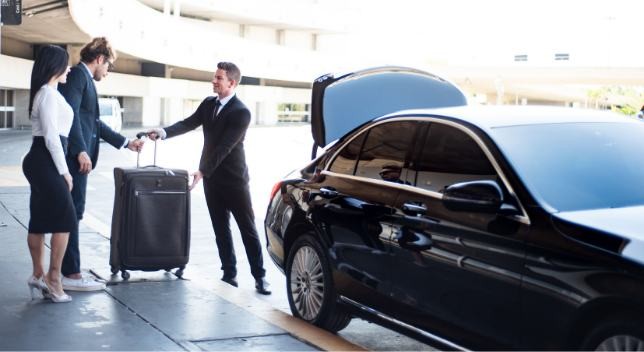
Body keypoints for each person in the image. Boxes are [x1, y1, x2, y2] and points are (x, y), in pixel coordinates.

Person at [147, 62, 271, 295]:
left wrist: (202, 171)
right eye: (214, 77)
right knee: (220, 229)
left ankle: (260, 276)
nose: (214, 81)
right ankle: (229, 273)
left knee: (247, 228)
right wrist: (163, 133)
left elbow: (224, 147)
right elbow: (188, 123)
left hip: (234, 181)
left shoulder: (241, 112)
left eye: (219, 78)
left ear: (231, 83)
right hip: (212, 180)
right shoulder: (208, 104)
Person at [58, 37, 144, 291]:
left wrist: (126, 142)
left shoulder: (83, 79)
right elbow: (70, 115)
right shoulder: (78, 77)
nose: (108, 72)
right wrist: (80, 150)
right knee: (71, 214)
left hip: (79, 158)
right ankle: (70, 273)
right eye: (109, 66)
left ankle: (68, 268)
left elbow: (93, 123)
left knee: (74, 213)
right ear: (99, 59)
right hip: (76, 160)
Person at [23, 45, 75, 303]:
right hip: (45, 159)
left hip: (41, 159)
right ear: (55, 65)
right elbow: (53, 138)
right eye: (66, 63)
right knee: (66, 218)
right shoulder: (47, 94)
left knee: (41, 218)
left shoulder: (49, 93)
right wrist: (65, 172)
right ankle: (53, 280)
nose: (69, 68)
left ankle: (38, 274)